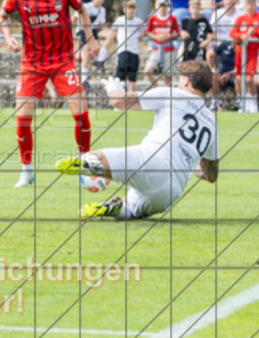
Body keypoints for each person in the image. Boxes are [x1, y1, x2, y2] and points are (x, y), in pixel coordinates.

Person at [55, 60, 219, 220]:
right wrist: (186, 165)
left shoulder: (173, 94)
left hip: (152, 162)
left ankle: (89, 163)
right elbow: (211, 175)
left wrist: (113, 89)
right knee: (131, 208)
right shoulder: (211, 122)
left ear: (187, 81)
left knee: (94, 157)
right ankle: (117, 208)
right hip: (170, 194)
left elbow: (119, 102)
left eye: (180, 78)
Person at [0, 0, 98, 189]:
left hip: (63, 61)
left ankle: (85, 164)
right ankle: (27, 170)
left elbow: (81, 10)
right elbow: (2, 16)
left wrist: (90, 39)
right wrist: (9, 37)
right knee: (22, 119)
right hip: (32, 62)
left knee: (81, 114)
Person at [230, 0, 259, 113]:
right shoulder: (240, 19)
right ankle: (241, 102)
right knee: (238, 78)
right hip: (240, 51)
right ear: (244, 6)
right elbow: (232, 33)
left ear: (255, 5)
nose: (249, 7)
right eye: (247, 5)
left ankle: (253, 102)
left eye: (251, 5)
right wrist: (242, 35)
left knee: (249, 79)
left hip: (252, 51)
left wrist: (254, 32)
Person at [144, 0, 181, 86]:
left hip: (169, 49)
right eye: (160, 6)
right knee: (148, 71)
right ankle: (157, 89)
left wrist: (168, 36)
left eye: (164, 6)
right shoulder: (152, 18)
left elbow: (178, 32)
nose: (162, 8)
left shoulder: (173, 18)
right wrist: (156, 37)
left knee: (167, 77)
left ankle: (167, 96)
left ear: (167, 7)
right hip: (157, 48)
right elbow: (148, 32)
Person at [79, 0, 114, 80]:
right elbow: (74, 18)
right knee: (86, 53)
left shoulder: (102, 9)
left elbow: (100, 25)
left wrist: (107, 29)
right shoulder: (86, 7)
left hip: (94, 30)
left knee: (111, 34)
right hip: (83, 31)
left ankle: (100, 59)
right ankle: (84, 80)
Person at [111, 0, 143, 94]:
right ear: (124, 9)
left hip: (134, 51)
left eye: (133, 8)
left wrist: (138, 37)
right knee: (121, 76)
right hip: (122, 51)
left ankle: (130, 99)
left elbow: (144, 31)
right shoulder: (119, 20)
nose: (131, 10)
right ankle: (121, 96)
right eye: (129, 8)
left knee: (132, 77)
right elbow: (113, 31)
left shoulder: (138, 21)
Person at [180, 0, 213, 65]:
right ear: (189, 9)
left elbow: (211, 33)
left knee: (199, 68)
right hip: (188, 48)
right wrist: (181, 32)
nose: (195, 10)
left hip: (200, 48)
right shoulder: (185, 21)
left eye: (197, 8)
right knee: (187, 68)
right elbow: (180, 31)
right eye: (193, 8)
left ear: (200, 9)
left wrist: (206, 42)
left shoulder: (204, 20)